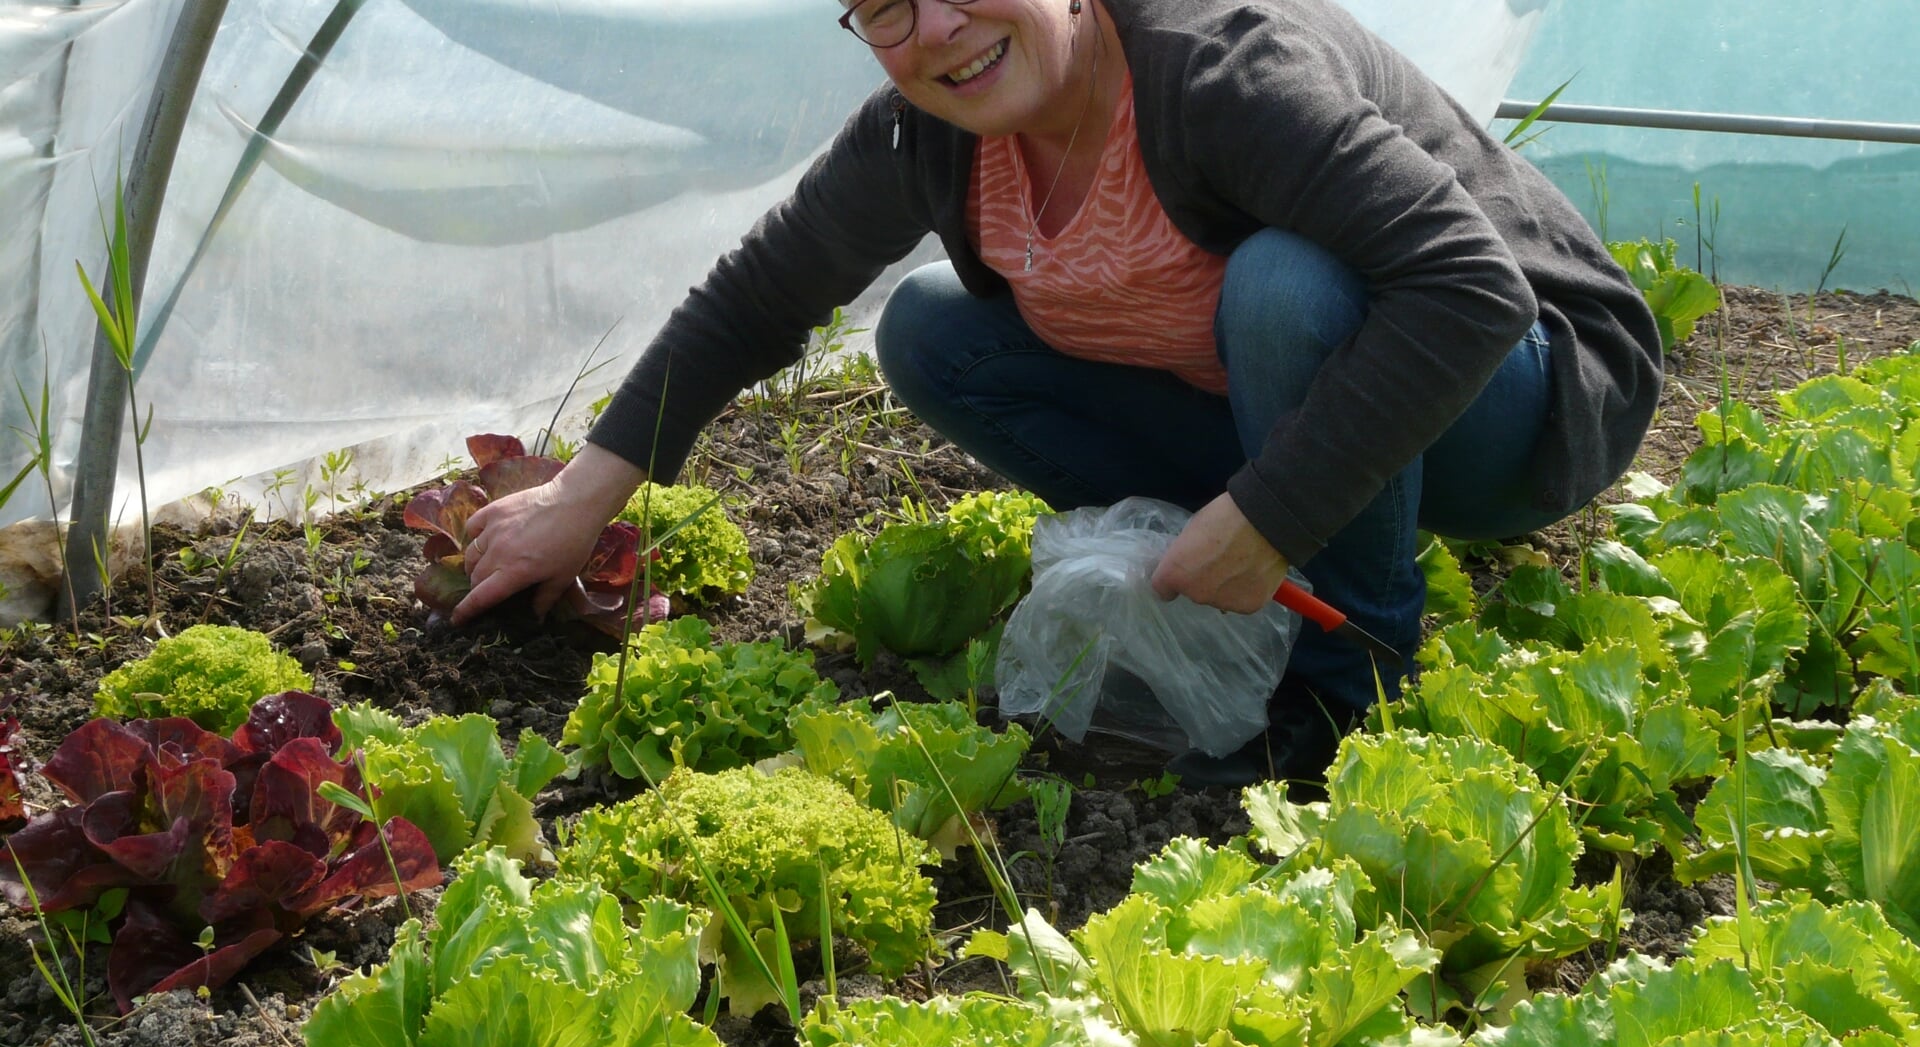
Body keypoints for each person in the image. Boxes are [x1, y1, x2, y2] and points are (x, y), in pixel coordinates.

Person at [455, 0, 1663, 785]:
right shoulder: (929, 134)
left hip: (1524, 401)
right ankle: (1271, 556)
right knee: (932, 332)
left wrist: (1277, 510)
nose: (938, 27)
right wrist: (581, 498)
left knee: (1285, 283)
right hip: (1319, 412)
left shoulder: (1216, 68)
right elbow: (756, 298)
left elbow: (1468, 289)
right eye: (884, 8)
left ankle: (1346, 692)